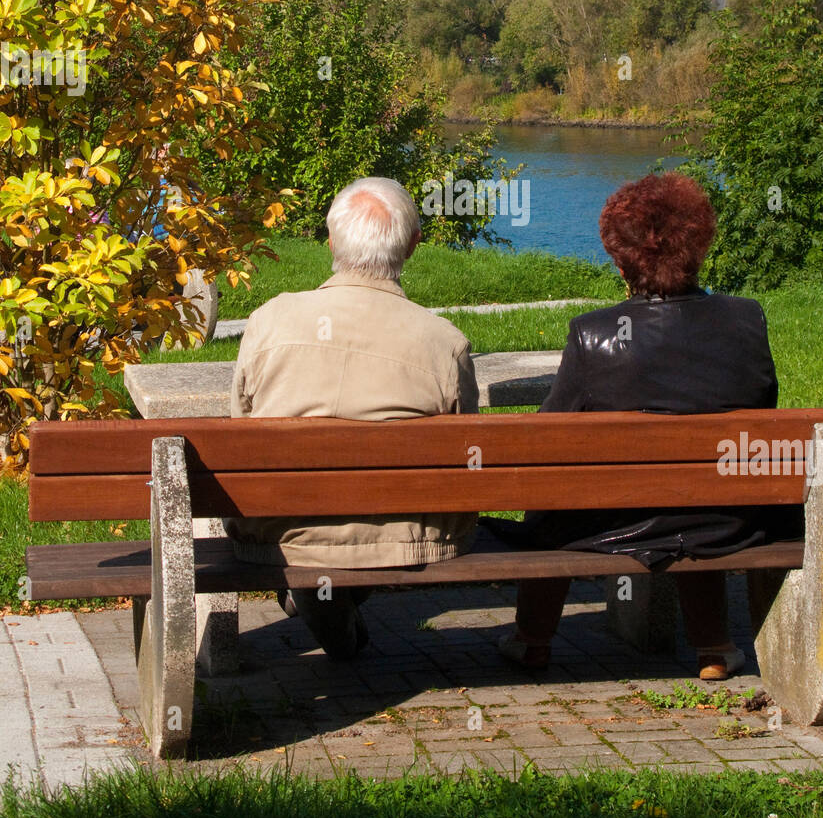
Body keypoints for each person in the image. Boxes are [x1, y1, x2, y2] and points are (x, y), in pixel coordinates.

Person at [493, 172, 788, 680]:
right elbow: (764, 405)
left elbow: (546, 441)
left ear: (619, 256)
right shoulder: (746, 319)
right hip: (726, 519)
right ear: (699, 243)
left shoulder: (594, 334)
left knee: (551, 501)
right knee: (695, 491)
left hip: (610, 523)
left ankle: (532, 640)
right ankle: (713, 648)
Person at [225, 176, 479, 659]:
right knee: (370, 524)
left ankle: (323, 599)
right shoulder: (444, 342)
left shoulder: (268, 322)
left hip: (280, 532)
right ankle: (330, 599)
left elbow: (240, 427)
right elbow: (466, 459)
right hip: (405, 535)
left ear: (330, 243)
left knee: (323, 529)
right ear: (413, 244)